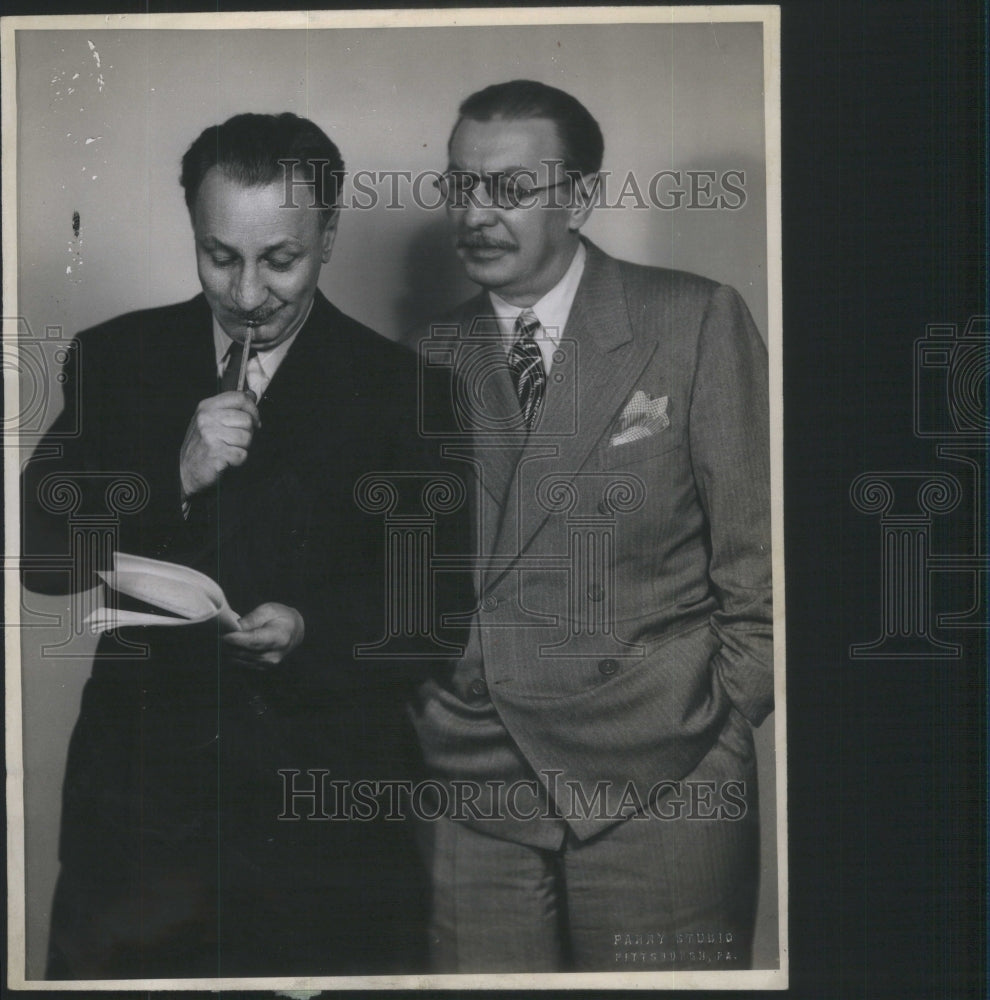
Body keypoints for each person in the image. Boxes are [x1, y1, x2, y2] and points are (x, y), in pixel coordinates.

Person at [22, 112, 430, 978]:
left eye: (280, 259)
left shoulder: (402, 389)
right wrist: (174, 476)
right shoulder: (115, 357)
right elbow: (43, 556)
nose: (247, 294)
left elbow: (436, 608)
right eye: (220, 256)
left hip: (324, 824)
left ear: (331, 230)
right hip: (140, 822)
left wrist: (308, 628)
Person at [410, 80, 773, 972]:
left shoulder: (691, 319)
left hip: (664, 770)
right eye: (461, 187)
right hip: (475, 776)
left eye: (510, 190)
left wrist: (721, 713)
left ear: (579, 197)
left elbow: (763, 559)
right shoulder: (424, 355)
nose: (477, 215)